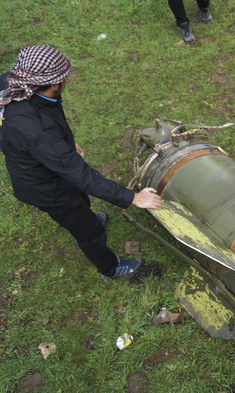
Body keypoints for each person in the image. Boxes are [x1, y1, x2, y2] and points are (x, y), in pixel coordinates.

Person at [0, 44, 163, 280]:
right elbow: (81, 176)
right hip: (47, 189)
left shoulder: (12, 83)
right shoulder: (38, 131)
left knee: (79, 201)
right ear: (55, 84)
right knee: (89, 231)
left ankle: (85, 218)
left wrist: (59, 147)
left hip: (45, 162)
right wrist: (134, 198)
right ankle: (110, 268)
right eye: (64, 78)